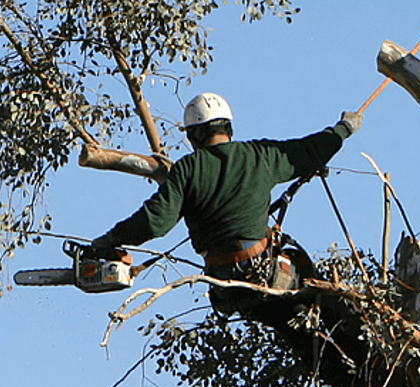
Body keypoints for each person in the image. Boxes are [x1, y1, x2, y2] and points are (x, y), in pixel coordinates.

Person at [91, 92, 362, 314]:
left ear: (193, 136)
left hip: (227, 287)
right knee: (328, 302)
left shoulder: (187, 170)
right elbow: (308, 151)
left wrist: (111, 238)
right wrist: (342, 129)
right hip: (267, 274)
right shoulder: (259, 156)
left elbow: (154, 222)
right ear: (228, 127)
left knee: (292, 328)